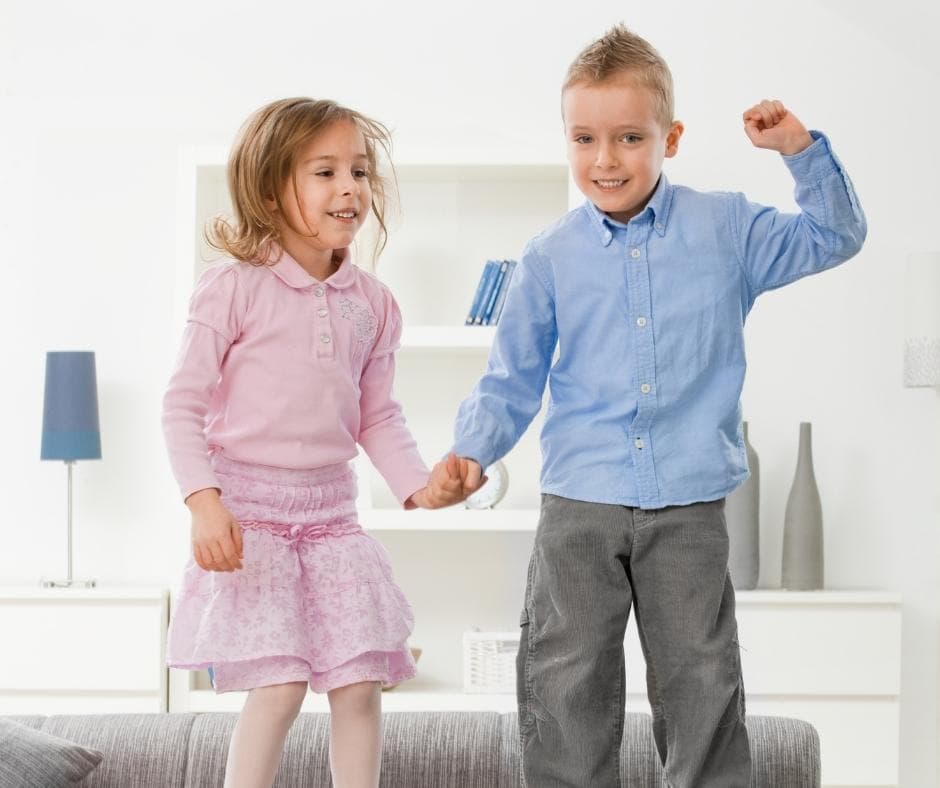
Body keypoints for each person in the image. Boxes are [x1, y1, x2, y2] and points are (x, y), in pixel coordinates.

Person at [437, 24, 867, 788]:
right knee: (566, 685)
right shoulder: (549, 257)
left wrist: (800, 151)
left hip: (690, 506)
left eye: (630, 137)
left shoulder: (727, 228)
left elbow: (836, 235)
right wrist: (473, 452)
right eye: (585, 138)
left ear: (670, 137)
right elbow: (513, 378)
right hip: (581, 506)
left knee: (701, 683)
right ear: (566, 140)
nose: (606, 160)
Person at [162, 97, 465, 788]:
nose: (349, 187)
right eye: (324, 172)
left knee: (358, 685)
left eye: (358, 171)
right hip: (251, 520)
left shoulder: (375, 305)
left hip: (333, 520)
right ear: (272, 191)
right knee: (279, 687)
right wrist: (204, 504)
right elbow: (180, 405)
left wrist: (419, 486)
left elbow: (377, 416)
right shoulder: (231, 288)